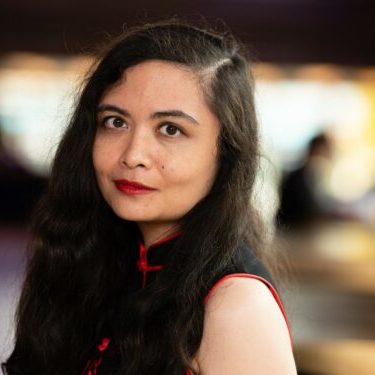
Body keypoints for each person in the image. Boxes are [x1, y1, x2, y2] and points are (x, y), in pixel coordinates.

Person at [3, 19, 297, 374]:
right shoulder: (87, 260)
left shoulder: (237, 306)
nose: (133, 155)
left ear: (226, 155)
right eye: (115, 122)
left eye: (170, 129)